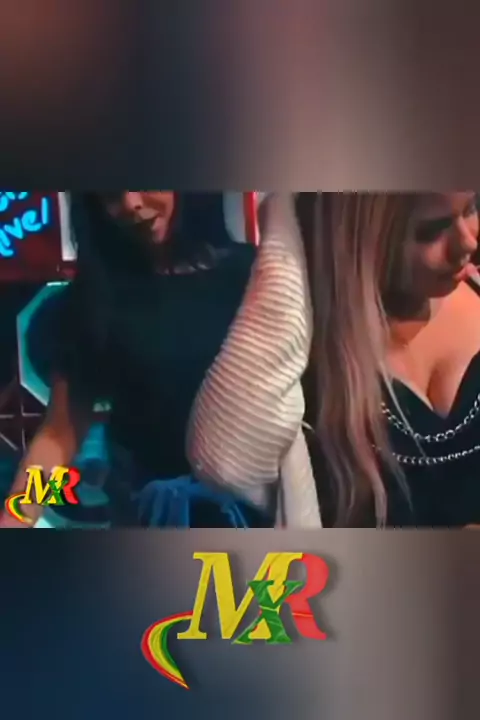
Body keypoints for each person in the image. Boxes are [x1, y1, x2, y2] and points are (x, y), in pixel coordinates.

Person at [0, 191, 272, 528]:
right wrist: (17, 519)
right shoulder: (95, 296)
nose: (131, 204)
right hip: (149, 518)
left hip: (255, 514)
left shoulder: (251, 274)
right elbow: (59, 438)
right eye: (111, 194)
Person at [297, 192, 480, 527]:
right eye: (432, 229)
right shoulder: (303, 353)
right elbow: (223, 464)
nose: (467, 242)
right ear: (358, 237)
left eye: (471, 208)